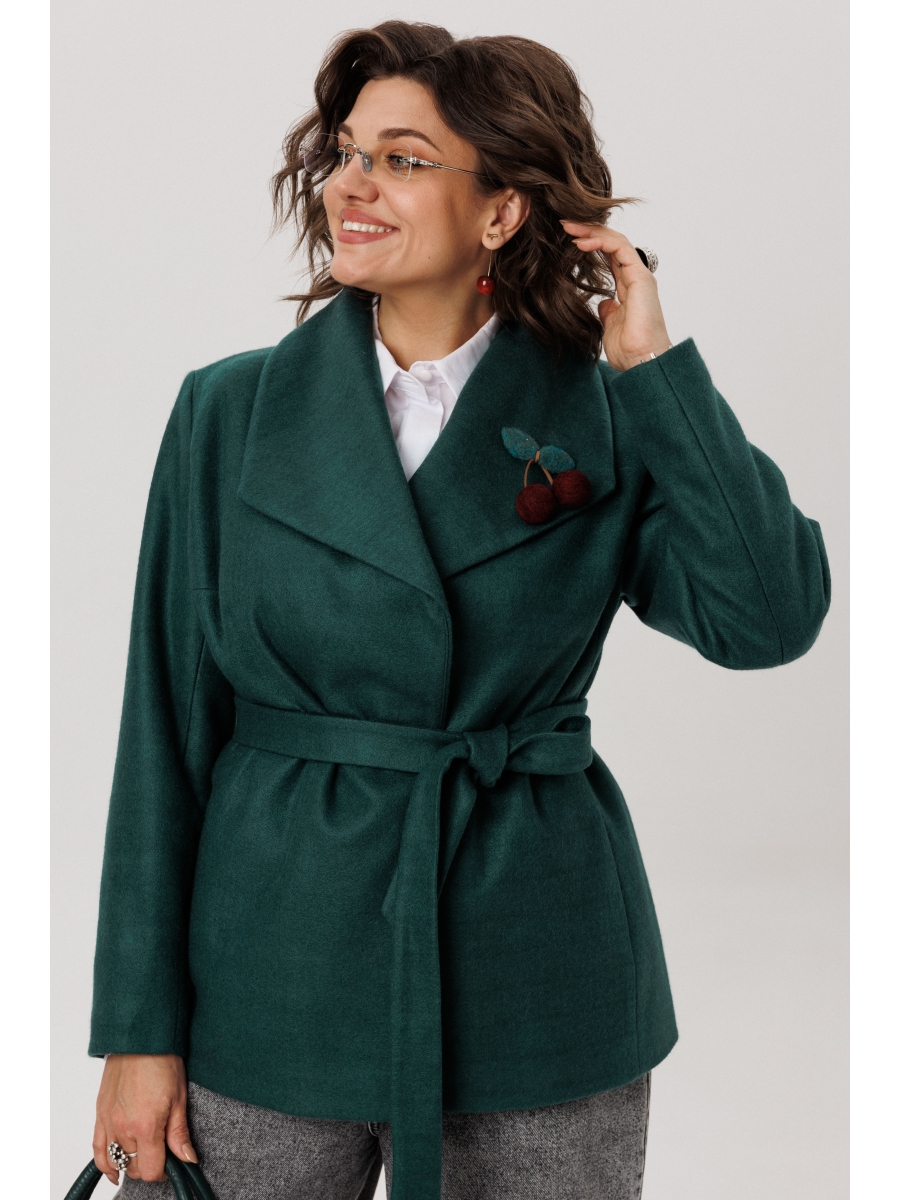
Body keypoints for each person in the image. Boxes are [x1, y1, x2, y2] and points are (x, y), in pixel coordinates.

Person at [87, 20, 831, 1200]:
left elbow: (768, 619)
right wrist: (137, 1030)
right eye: (346, 153)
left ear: (502, 211)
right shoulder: (229, 411)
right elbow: (163, 733)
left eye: (401, 159)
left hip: (534, 971)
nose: (352, 184)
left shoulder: (604, 413)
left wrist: (655, 373)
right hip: (273, 967)